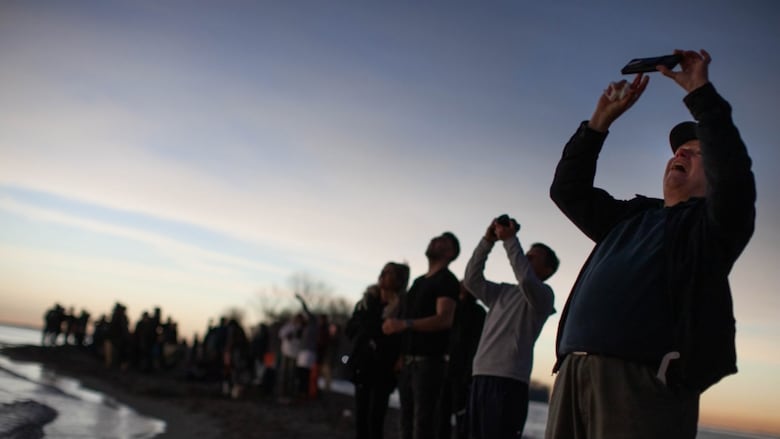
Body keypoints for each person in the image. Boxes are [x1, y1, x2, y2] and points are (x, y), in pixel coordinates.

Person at [546, 49, 755, 438]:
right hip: (574, 371)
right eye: (678, 150)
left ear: (715, 181)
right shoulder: (633, 217)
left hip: (643, 385)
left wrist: (701, 93)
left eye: (696, 154)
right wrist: (598, 124)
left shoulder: (711, 227)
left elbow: (735, 173)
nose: (681, 153)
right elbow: (567, 191)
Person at [463, 215, 558, 439]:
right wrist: (487, 241)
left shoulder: (544, 296)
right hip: (480, 375)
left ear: (547, 270)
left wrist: (509, 240)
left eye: (532, 256)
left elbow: (526, 280)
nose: (525, 256)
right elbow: (471, 280)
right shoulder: (502, 292)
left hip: (509, 381)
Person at [383, 232, 461, 439]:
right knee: (405, 423)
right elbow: (405, 321)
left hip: (429, 363)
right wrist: (401, 355)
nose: (434, 240)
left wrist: (404, 324)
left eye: (442, 241)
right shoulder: (418, 282)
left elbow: (444, 318)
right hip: (409, 362)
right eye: (435, 239)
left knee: (423, 425)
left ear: (451, 253)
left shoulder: (447, 280)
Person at [346, 262, 410, 439]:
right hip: (363, 363)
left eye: (389, 272)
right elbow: (351, 329)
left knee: (376, 418)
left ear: (399, 281)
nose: (383, 274)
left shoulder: (402, 308)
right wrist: (377, 329)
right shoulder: (366, 302)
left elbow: (400, 337)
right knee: (361, 415)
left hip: (384, 367)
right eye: (383, 270)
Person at [436, 282, 485, 439]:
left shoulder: (477, 313)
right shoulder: (453, 308)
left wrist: (468, 373)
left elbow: (475, 345)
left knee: (461, 417)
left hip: (462, 372)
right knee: (441, 415)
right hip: (447, 369)